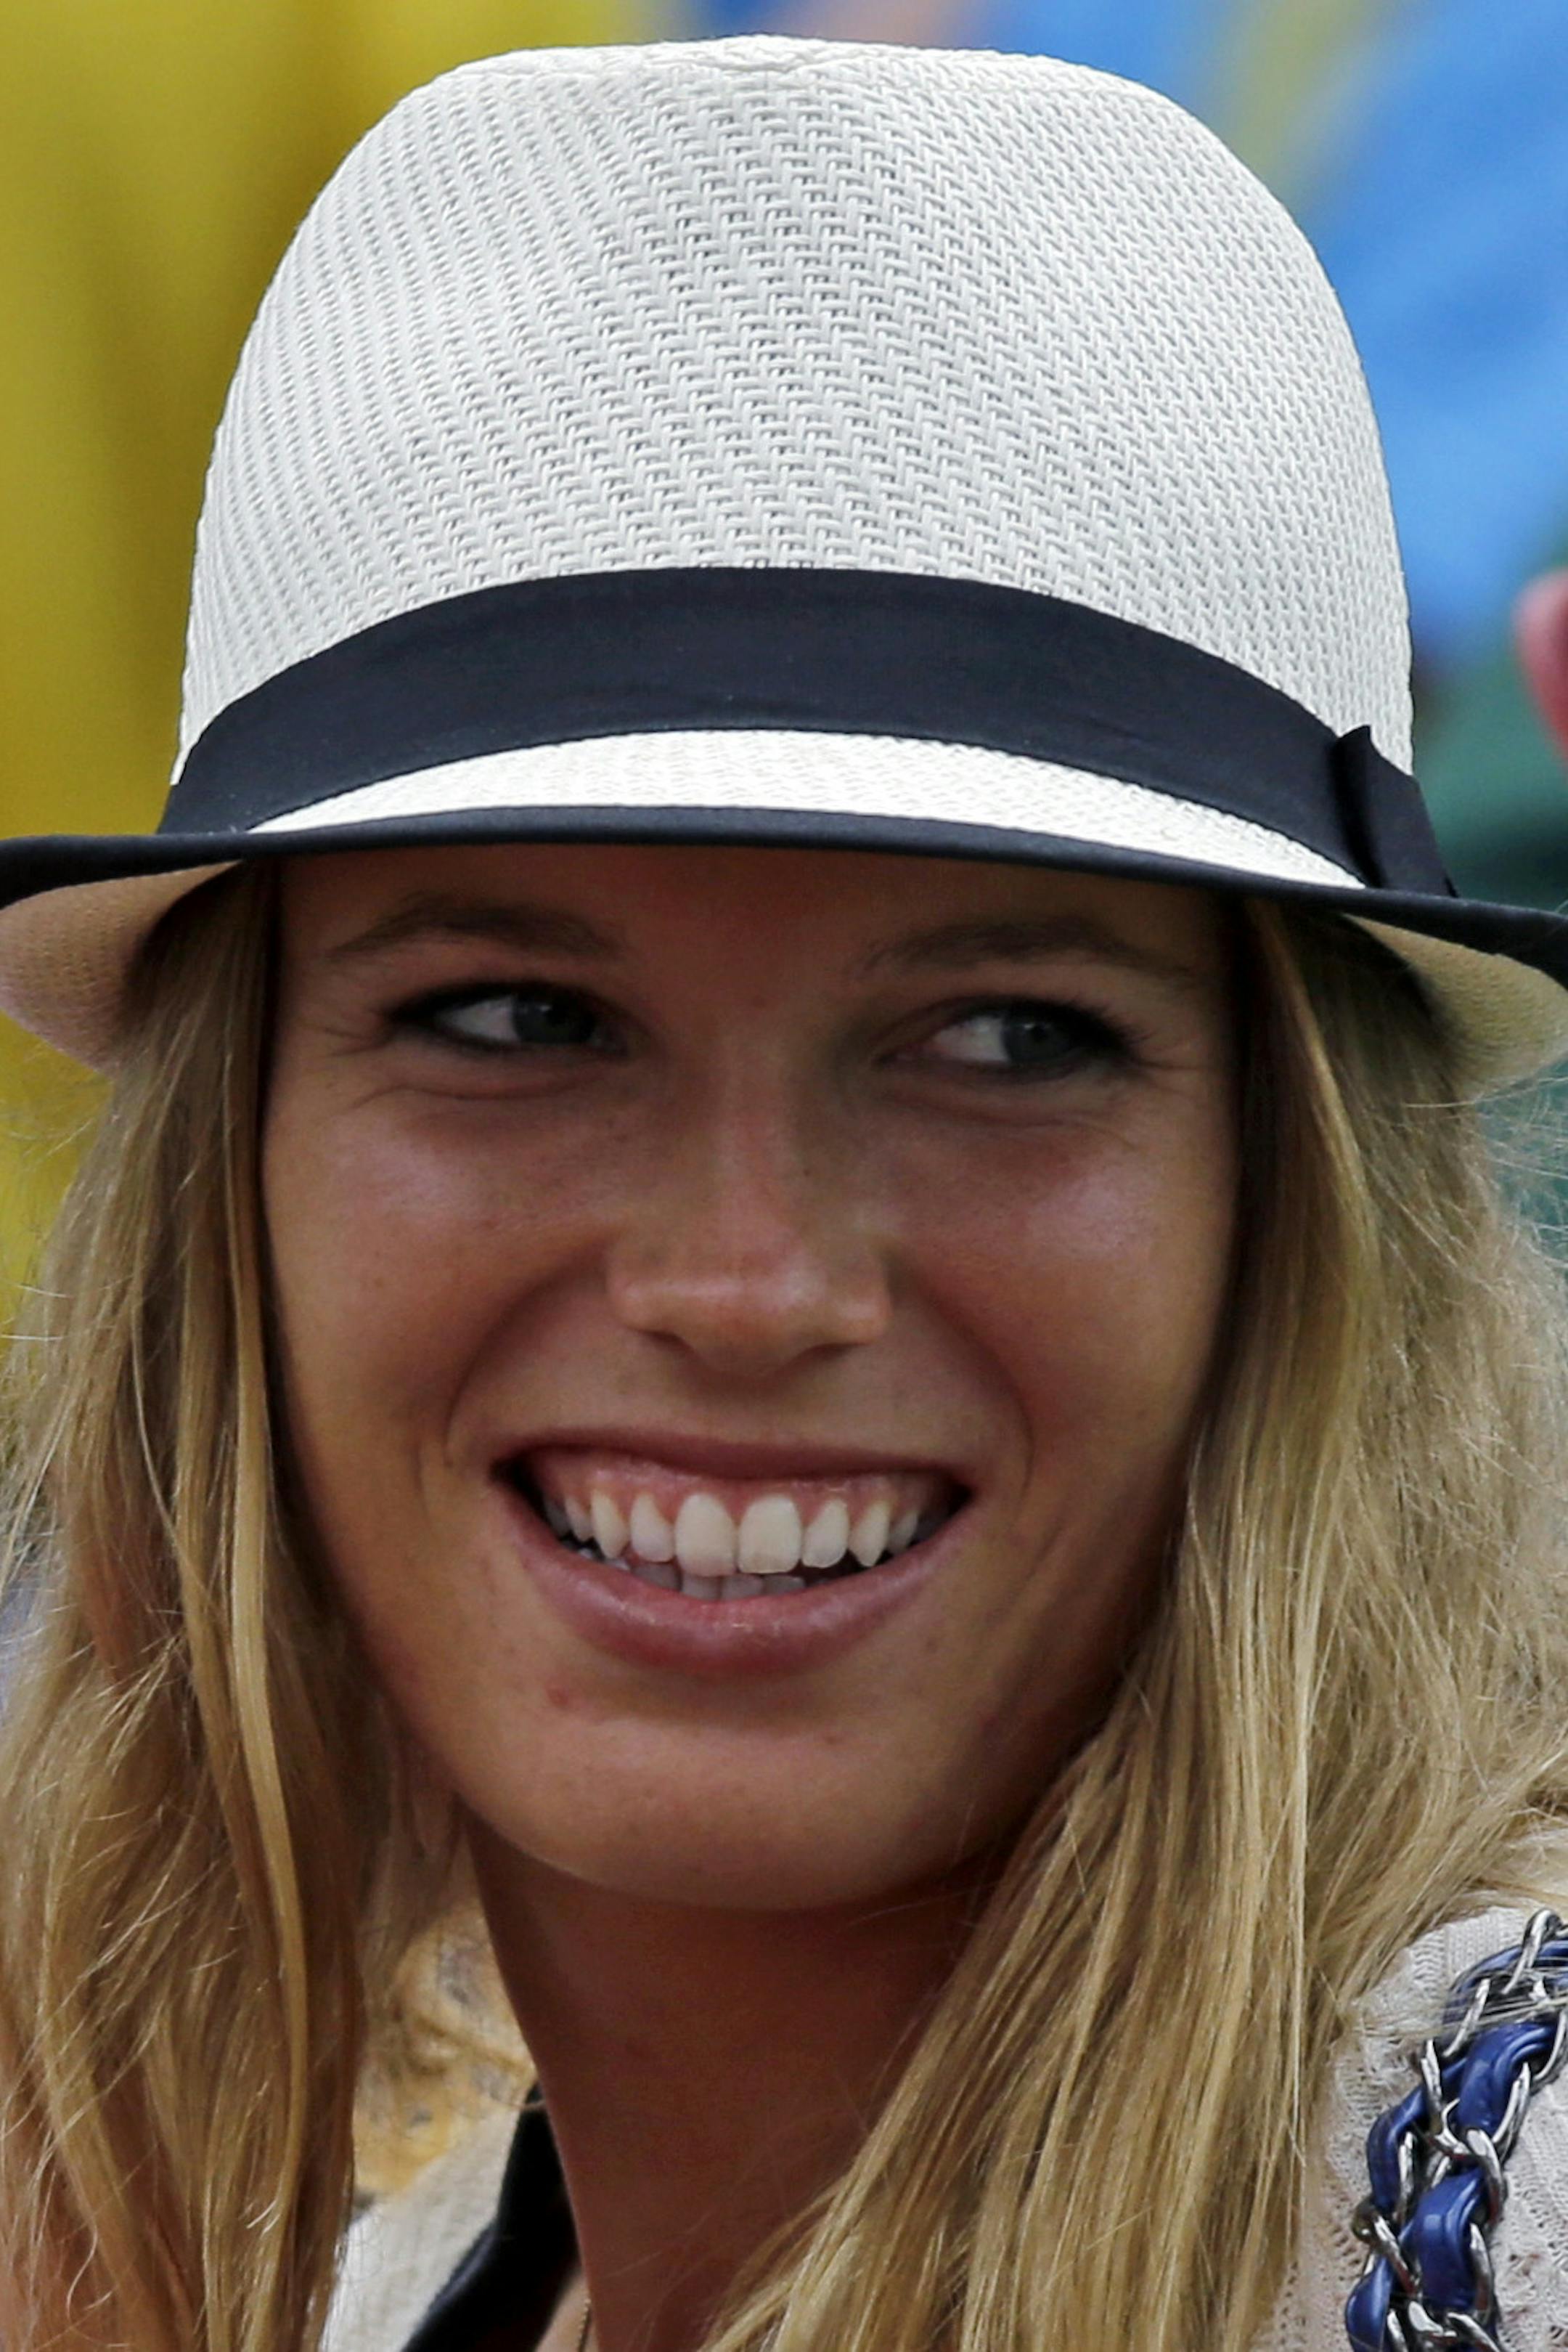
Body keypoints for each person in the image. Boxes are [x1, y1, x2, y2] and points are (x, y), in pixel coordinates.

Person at [2, 35, 1567, 2352]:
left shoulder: (1502, 2195)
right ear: (226, 1190)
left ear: (1298, 1202)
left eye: (1010, 1040)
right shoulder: (337, 2273)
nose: (746, 1281)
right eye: (520, 1023)